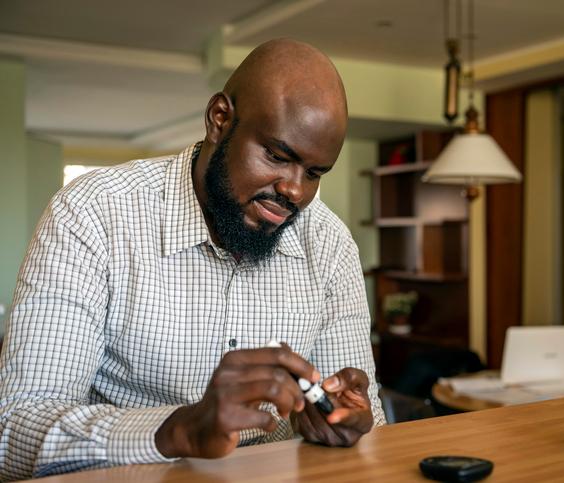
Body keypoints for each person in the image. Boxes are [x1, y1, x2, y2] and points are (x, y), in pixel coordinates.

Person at [0, 39, 385, 480]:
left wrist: (343, 422)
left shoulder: (331, 244)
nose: (295, 192)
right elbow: (13, 431)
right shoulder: (93, 215)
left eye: (315, 173)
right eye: (277, 156)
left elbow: (366, 417)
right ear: (219, 119)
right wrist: (178, 431)